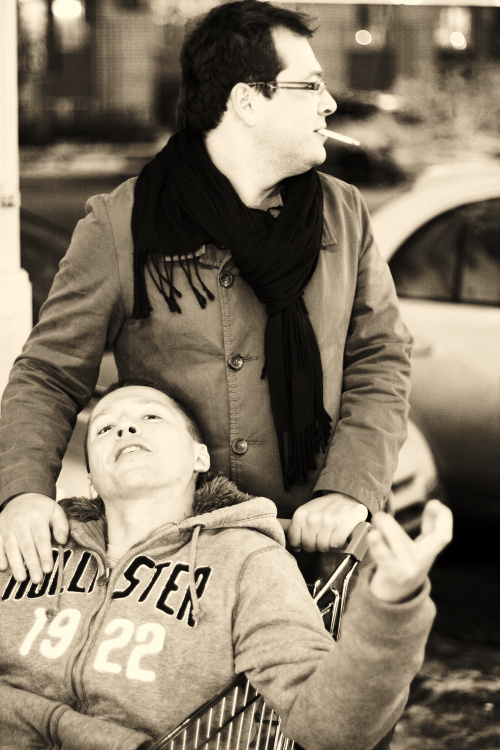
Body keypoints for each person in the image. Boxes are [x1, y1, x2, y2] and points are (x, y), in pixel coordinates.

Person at [0, 0, 413, 585]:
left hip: (321, 549)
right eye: (311, 85)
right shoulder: (124, 223)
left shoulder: (342, 212)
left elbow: (381, 360)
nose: (330, 103)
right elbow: (48, 374)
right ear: (248, 100)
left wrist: (349, 488)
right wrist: (20, 493)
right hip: (179, 568)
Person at [0, 381, 452, 750]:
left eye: (150, 417)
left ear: (200, 457)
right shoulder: (35, 540)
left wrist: (393, 603)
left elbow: (331, 729)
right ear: (92, 477)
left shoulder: (246, 562)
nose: (125, 429)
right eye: (104, 428)